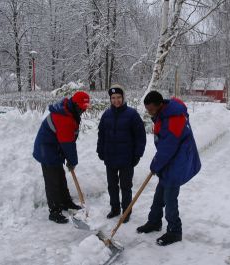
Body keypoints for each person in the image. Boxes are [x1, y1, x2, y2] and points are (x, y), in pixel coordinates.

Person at [137, 91, 201, 246]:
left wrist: (155, 165)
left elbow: (168, 147)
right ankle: (154, 222)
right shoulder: (164, 113)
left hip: (177, 162)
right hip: (169, 161)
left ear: (160, 105)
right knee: (159, 195)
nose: (149, 112)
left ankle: (175, 231)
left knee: (170, 199)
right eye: (147, 109)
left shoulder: (174, 119)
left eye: (151, 109)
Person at [33, 91, 90, 224]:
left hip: (55, 147)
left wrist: (70, 159)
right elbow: (67, 143)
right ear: (75, 104)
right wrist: (72, 161)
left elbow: (67, 140)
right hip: (46, 150)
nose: (83, 110)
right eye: (82, 107)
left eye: (85, 107)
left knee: (60, 177)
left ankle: (66, 202)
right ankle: (54, 211)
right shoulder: (64, 118)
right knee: (52, 180)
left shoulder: (69, 112)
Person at [97, 84, 146, 223]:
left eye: (118, 97)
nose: (116, 100)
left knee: (126, 186)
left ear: (123, 97)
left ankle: (126, 211)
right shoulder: (106, 115)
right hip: (110, 157)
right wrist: (100, 150)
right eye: (113, 98)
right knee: (112, 185)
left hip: (126, 158)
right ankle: (115, 208)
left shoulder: (132, 114)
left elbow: (140, 137)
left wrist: (137, 154)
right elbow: (101, 135)